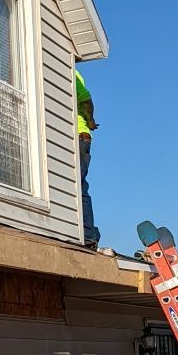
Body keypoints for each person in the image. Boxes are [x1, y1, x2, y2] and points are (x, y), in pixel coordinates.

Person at [75, 67, 100, 249]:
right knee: (78, 185)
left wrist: (89, 120)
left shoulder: (72, 74)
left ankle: (89, 235)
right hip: (79, 136)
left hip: (78, 136)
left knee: (79, 185)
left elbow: (86, 100)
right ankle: (88, 233)